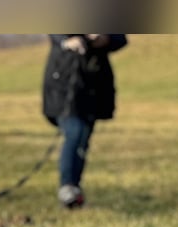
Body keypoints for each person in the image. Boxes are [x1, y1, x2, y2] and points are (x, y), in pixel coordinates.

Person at [42, 34, 128, 208]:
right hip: (63, 85)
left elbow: (121, 38)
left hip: (94, 87)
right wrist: (68, 41)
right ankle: (67, 187)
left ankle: (73, 189)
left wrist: (104, 39)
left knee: (82, 141)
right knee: (75, 133)